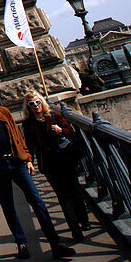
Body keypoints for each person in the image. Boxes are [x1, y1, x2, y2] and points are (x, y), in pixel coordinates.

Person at [0, 83, 75, 260]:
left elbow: (17, 137)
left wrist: (28, 158)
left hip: (17, 163)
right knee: (8, 207)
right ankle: (21, 243)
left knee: (38, 202)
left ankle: (55, 244)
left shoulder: (4, 112)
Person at [22, 90, 91, 241]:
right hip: (49, 164)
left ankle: (84, 220)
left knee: (75, 190)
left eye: (38, 102)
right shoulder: (28, 124)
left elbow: (72, 133)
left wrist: (61, 130)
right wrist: (29, 160)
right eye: (32, 104)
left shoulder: (54, 115)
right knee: (63, 196)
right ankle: (75, 229)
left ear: (42, 102)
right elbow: (29, 144)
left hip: (66, 159)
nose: (35, 106)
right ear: (28, 107)